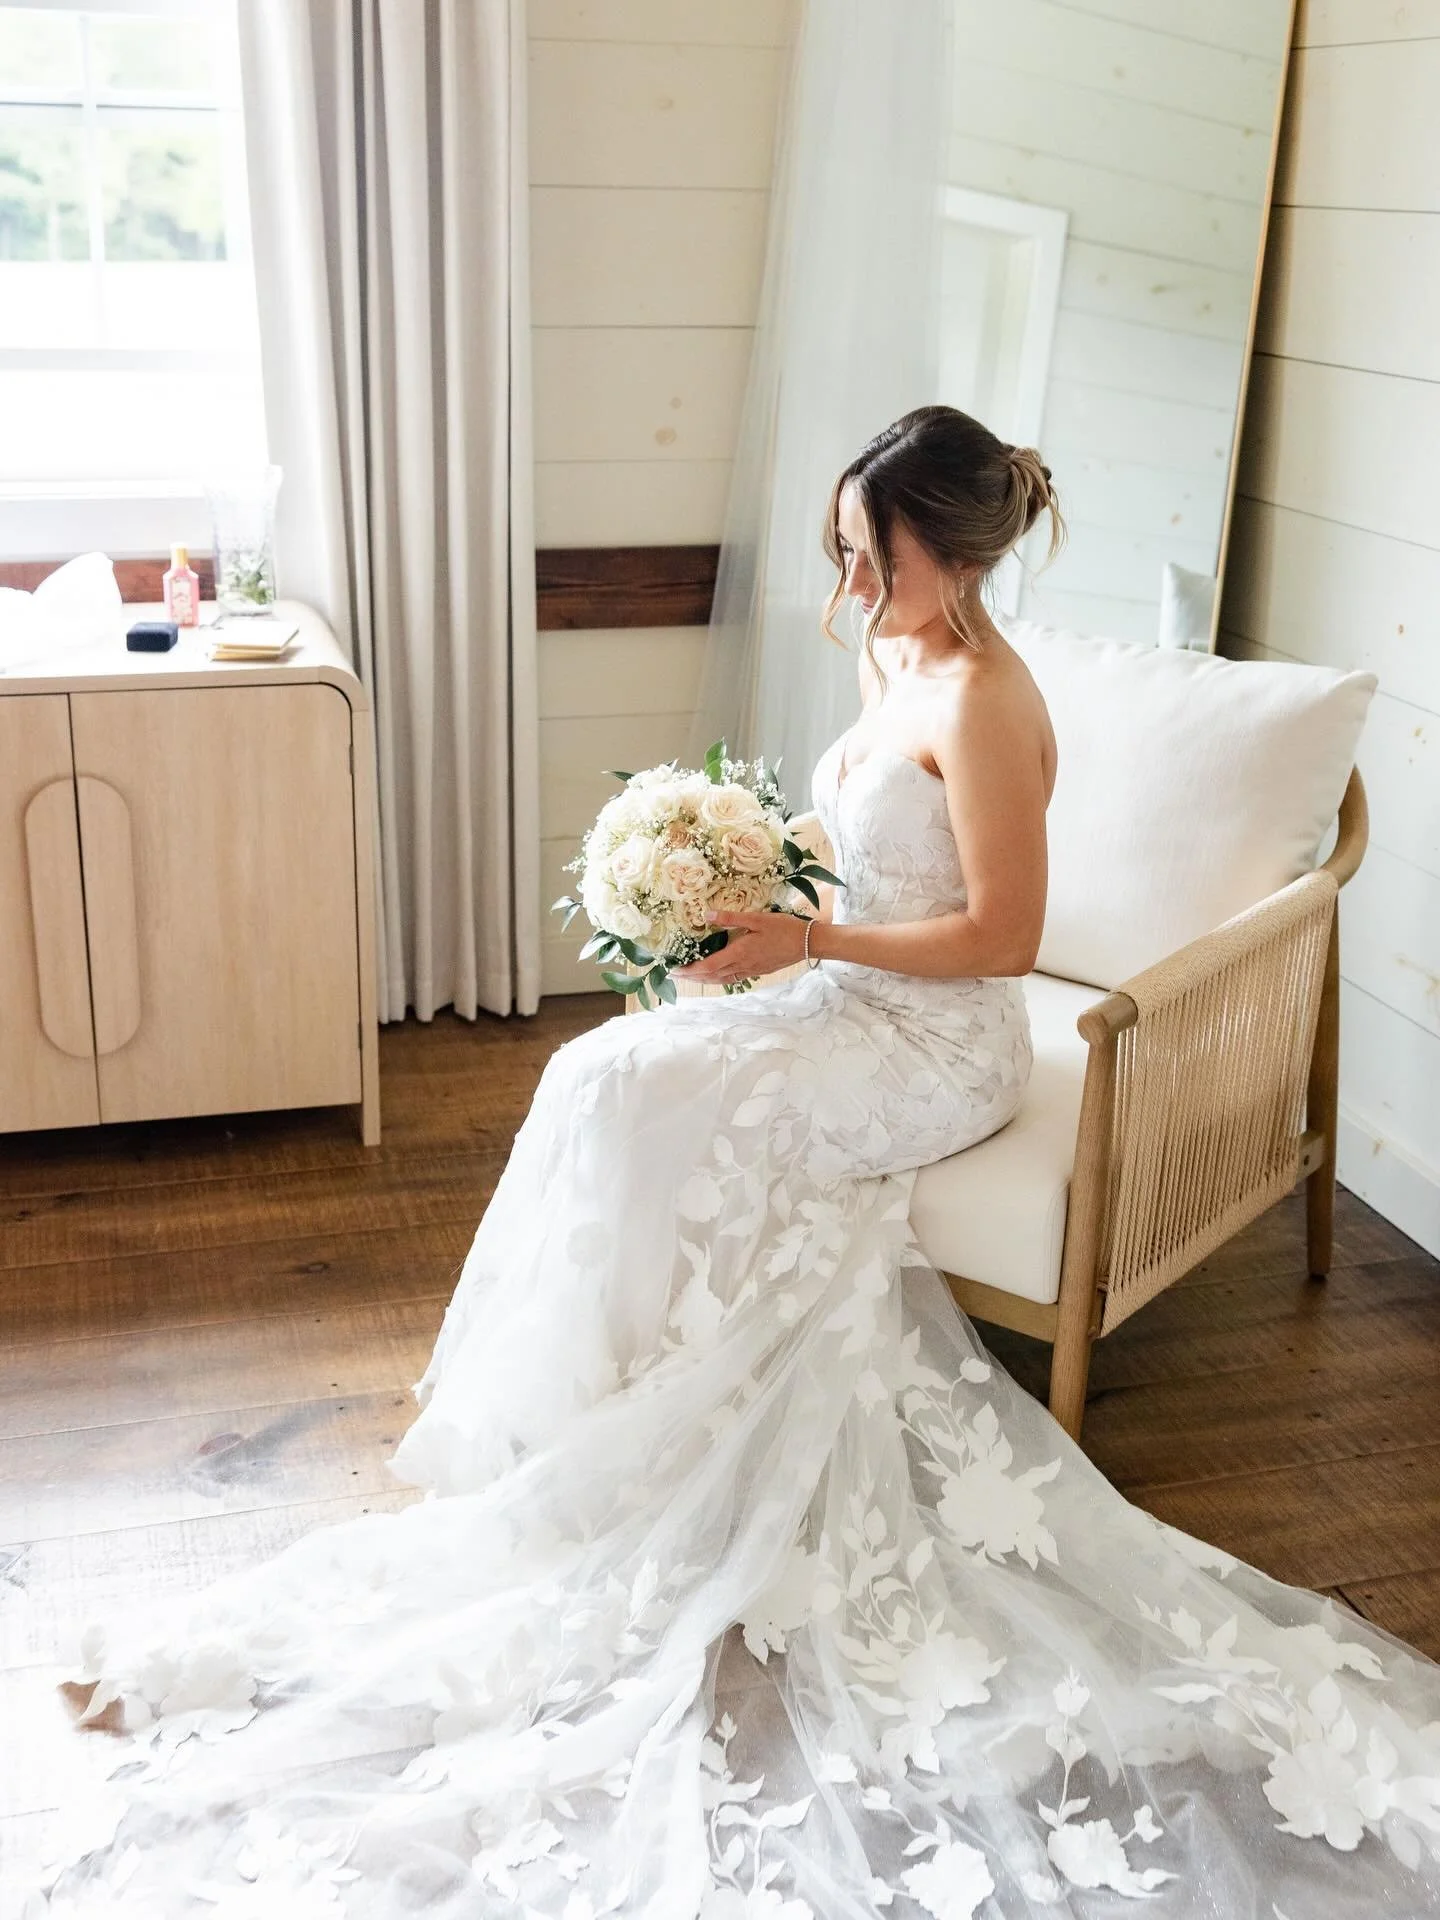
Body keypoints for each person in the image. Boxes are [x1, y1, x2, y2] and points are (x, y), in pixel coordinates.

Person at [43, 408, 1440, 1920]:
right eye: (841, 548)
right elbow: (868, 854)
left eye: (869, 553)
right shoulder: (893, 653)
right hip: (848, 990)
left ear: (952, 549)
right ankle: (597, 1431)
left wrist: (809, 943)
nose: (847, 581)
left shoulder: (986, 699)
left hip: (941, 1042)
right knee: (602, 1074)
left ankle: (668, 1463)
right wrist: (731, 889)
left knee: (669, 1104)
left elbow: (1005, 940)